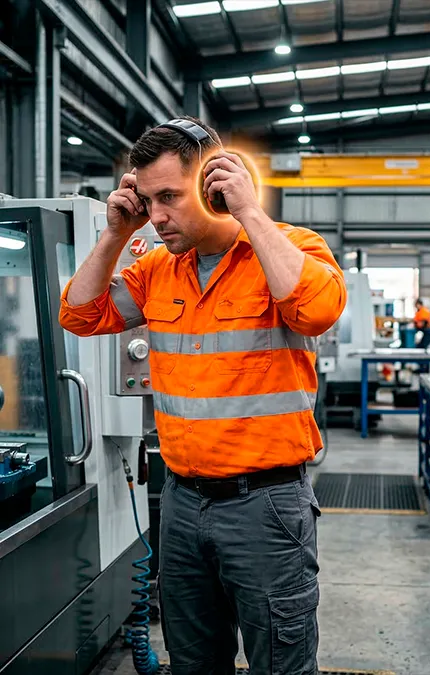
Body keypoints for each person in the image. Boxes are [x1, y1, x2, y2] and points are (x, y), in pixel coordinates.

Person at [59, 116, 346, 675]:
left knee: (281, 662)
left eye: (169, 197)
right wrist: (117, 233)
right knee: (193, 662)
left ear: (214, 187)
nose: (157, 216)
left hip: (264, 507)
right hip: (183, 504)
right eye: (148, 200)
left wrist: (250, 213)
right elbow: (79, 314)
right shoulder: (158, 269)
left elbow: (316, 312)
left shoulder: (290, 248)